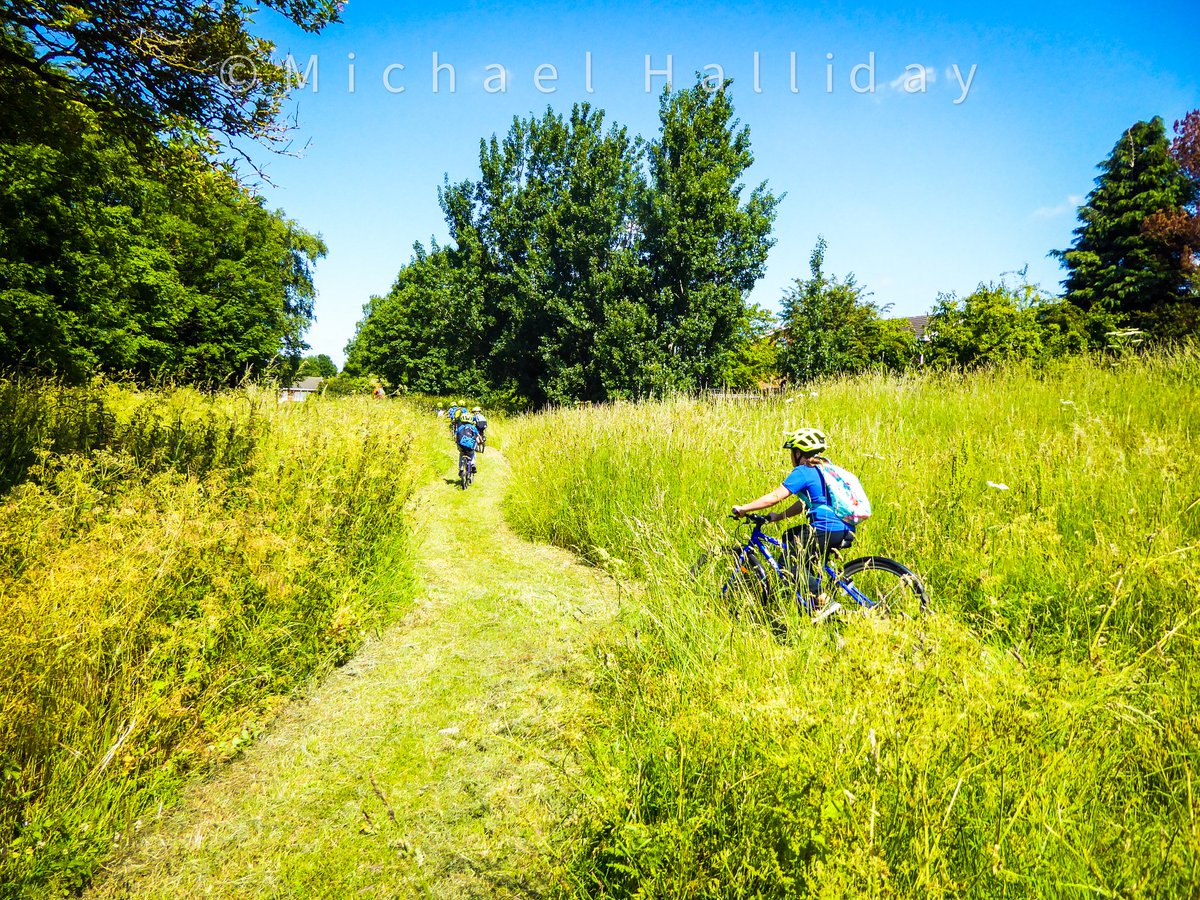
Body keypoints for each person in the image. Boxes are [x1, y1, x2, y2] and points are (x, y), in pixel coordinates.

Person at [731, 427, 856, 609]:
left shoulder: (804, 471)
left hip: (824, 528)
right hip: (841, 528)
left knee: (786, 562)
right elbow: (804, 503)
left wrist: (744, 508)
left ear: (798, 453)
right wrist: (779, 517)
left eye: (792, 452)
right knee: (790, 537)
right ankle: (813, 593)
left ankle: (822, 599)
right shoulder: (825, 469)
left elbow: (774, 497)